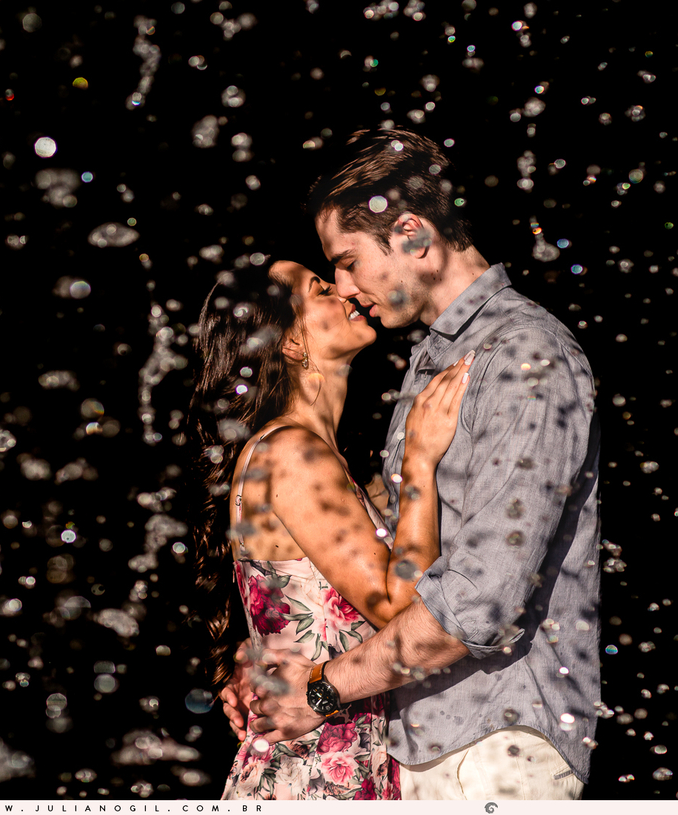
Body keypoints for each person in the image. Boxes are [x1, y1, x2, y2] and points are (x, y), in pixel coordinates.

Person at [223, 128, 601, 800]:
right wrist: (270, 657)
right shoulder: (430, 367)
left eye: (344, 261)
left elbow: (480, 601)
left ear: (411, 235)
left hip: (494, 738)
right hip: (415, 742)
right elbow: (378, 565)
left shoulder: (523, 353)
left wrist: (318, 685)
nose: (344, 285)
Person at [189, 257, 472, 799]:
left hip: (328, 763)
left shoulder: (302, 454)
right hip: (315, 772)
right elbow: (397, 603)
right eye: (320, 288)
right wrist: (420, 464)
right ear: (291, 341)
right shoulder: (291, 453)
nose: (347, 291)